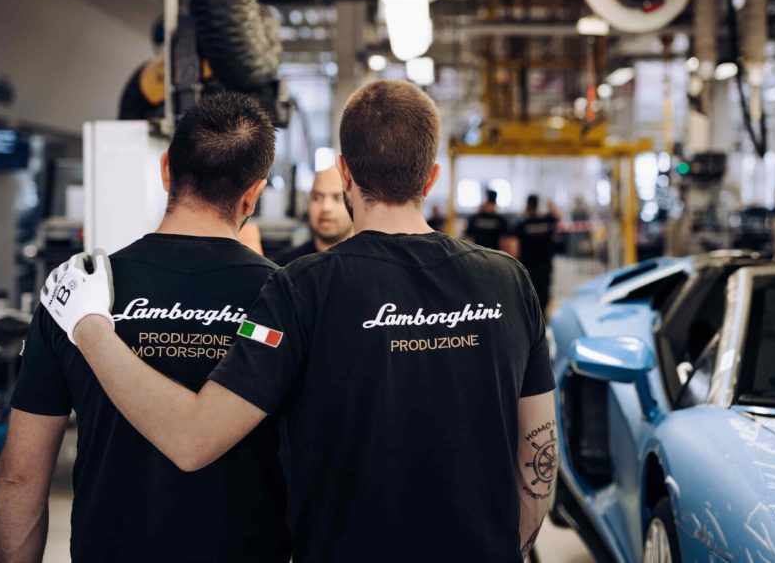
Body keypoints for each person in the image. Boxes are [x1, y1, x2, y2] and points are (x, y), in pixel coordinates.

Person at [39, 80, 557, 563]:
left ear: (345, 171)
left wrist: (88, 326)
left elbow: (194, 439)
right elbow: (539, 461)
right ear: (431, 176)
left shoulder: (302, 287)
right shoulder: (509, 283)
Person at [0, 93, 291, 563]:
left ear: (167, 169)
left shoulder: (77, 291)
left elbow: (19, 478)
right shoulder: (284, 298)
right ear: (253, 193)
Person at [275, 166, 353, 265]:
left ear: (354, 203)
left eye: (338, 198)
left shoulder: (367, 267)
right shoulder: (286, 267)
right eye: (317, 198)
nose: (326, 207)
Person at [514, 195, 559, 315]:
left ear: (528, 206)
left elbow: (514, 245)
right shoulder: (547, 221)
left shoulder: (522, 224)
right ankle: (542, 316)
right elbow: (558, 216)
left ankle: (531, 317)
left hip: (527, 266)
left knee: (527, 293)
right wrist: (550, 203)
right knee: (544, 293)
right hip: (545, 265)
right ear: (537, 205)